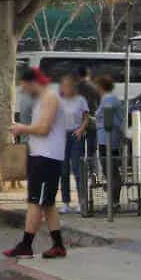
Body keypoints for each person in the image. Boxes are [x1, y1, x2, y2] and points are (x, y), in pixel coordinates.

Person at [5, 67, 72, 259]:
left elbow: (43, 128)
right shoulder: (42, 100)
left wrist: (21, 128)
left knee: (36, 201)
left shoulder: (50, 98)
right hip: (41, 155)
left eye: (25, 86)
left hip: (47, 157)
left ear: (33, 82)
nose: (24, 90)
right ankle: (58, 245)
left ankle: (26, 245)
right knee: (47, 204)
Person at [56, 73, 90, 213]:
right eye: (62, 85)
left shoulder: (81, 100)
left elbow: (86, 118)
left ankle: (82, 201)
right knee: (63, 170)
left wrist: (81, 130)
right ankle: (65, 202)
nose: (64, 88)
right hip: (62, 136)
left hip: (75, 135)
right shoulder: (58, 100)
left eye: (67, 85)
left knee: (77, 169)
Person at [94, 74, 126, 209]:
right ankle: (113, 201)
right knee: (110, 170)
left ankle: (114, 202)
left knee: (110, 170)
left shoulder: (108, 99)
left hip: (108, 138)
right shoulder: (108, 99)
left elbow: (108, 118)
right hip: (106, 137)